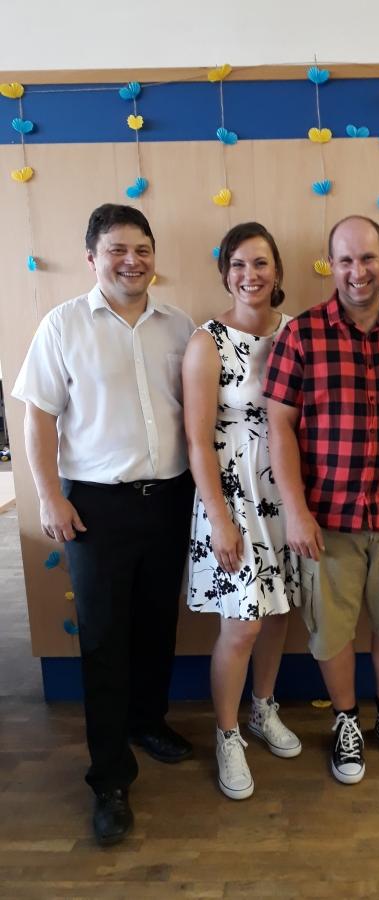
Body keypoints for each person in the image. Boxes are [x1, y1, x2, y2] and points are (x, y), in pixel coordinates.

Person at [12, 204, 196, 845]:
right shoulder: (63, 325)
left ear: (154, 256)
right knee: (104, 638)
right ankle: (110, 777)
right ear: (92, 258)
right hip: (95, 506)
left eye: (142, 248)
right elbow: (37, 417)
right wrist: (48, 498)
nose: (131, 260)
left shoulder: (179, 326)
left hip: (169, 499)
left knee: (157, 624)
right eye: (117, 249)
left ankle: (147, 720)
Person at [264, 215, 379, 785]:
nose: (357, 271)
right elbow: (279, 426)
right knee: (331, 632)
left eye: (367, 258)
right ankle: (345, 721)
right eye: (345, 260)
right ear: (330, 265)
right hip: (326, 519)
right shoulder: (301, 335)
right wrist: (296, 511)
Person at [183, 222, 301, 801]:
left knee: (277, 613)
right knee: (243, 623)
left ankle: (263, 707)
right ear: (225, 273)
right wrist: (220, 520)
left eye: (259, 263)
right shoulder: (206, 341)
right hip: (231, 493)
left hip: (285, 489)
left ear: (277, 271)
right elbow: (197, 441)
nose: (249, 275)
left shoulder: (296, 332)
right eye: (237, 264)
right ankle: (227, 733)